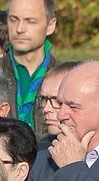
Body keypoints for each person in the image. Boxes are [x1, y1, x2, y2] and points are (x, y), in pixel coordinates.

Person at [4, 0, 59, 130]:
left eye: (30, 21)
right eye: (13, 20)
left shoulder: (67, 79)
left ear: (50, 26)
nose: (19, 29)